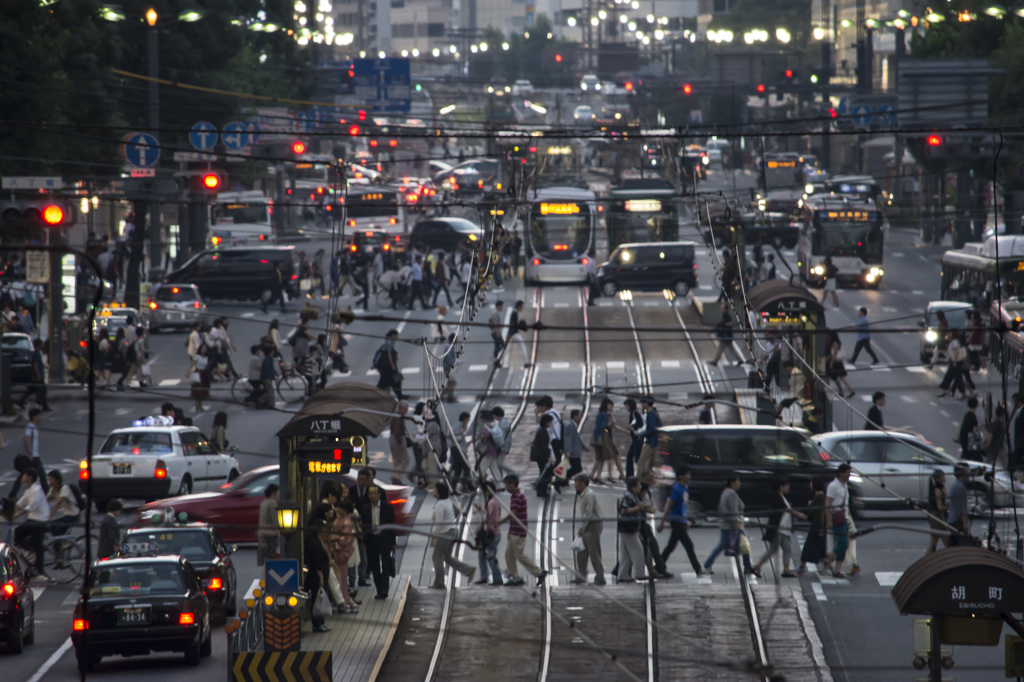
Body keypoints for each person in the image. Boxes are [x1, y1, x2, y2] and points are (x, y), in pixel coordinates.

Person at [751, 478, 806, 578]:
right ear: (781, 487)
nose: (788, 487)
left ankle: (786, 570)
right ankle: (757, 566)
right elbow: (785, 509)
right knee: (773, 549)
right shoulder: (776, 496)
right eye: (787, 485)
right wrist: (798, 513)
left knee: (787, 548)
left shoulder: (780, 496)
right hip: (778, 528)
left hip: (783, 528)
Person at [501, 474, 548, 586]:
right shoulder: (515, 495)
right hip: (514, 530)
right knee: (509, 555)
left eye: (507, 485)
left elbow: (513, 513)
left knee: (519, 554)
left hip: (518, 531)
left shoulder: (518, 496)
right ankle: (514, 577)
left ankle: (539, 572)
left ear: (513, 484)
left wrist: (500, 522)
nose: (506, 487)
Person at [702, 477, 755, 575]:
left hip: (725, 524)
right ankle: (747, 566)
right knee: (744, 544)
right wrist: (736, 523)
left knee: (722, 545)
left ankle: (707, 565)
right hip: (732, 524)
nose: (739, 483)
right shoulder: (732, 494)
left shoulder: (725, 492)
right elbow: (733, 510)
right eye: (738, 481)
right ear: (732, 483)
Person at [658, 466, 704, 576]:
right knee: (688, 545)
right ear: (680, 476)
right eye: (687, 474)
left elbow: (683, 506)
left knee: (671, 546)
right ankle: (697, 569)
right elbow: (670, 505)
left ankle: (659, 566)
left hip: (681, 521)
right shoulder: (677, 489)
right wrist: (662, 522)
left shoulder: (685, 487)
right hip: (676, 520)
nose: (689, 476)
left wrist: (686, 520)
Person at [429, 482, 476, 587]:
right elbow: (457, 511)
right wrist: (450, 520)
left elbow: (439, 523)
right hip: (453, 531)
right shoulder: (447, 501)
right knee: (447, 557)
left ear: (438, 492)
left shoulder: (440, 505)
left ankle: (439, 582)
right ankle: (468, 570)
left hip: (445, 533)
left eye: (434, 489)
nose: (433, 491)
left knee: (437, 557)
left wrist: (434, 538)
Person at [361, 484, 397, 599]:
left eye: (375, 493)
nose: (373, 495)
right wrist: (365, 538)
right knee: (374, 566)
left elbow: (391, 525)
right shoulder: (365, 509)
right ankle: (379, 590)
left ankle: (385, 590)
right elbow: (364, 526)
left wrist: (393, 542)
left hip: (384, 540)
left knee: (385, 566)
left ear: (379, 494)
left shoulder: (387, 507)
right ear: (368, 495)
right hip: (372, 541)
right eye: (370, 493)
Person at [12, 466, 48, 577]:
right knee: (18, 533)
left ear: (30, 477)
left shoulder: (36, 490)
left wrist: (16, 515)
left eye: (24, 475)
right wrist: (9, 512)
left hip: (39, 519)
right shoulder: (28, 490)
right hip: (33, 519)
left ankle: (40, 569)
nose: (22, 477)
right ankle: (31, 548)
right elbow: (20, 503)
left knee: (37, 546)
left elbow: (30, 507)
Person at [572, 473, 605, 585]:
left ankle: (600, 577)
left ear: (582, 483)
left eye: (576, 483)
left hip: (593, 525)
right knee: (581, 552)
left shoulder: (589, 494)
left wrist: (582, 528)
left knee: (594, 552)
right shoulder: (583, 494)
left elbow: (588, 513)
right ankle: (581, 576)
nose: (575, 485)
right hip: (587, 525)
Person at [616, 477, 647, 583]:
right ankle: (640, 574)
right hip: (628, 528)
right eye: (639, 484)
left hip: (629, 528)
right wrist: (638, 508)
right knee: (638, 550)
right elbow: (623, 511)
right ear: (634, 487)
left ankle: (623, 575)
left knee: (625, 553)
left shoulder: (632, 496)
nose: (641, 487)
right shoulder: (628, 496)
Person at [331, 499, 360, 613]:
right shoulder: (340, 519)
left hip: (340, 551)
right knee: (340, 577)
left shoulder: (346, 522)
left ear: (344, 510)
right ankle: (342, 599)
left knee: (342, 577)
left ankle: (343, 599)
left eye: (339, 508)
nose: (337, 509)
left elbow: (346, 539)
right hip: (337, 551)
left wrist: (334, 539)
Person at [304, 518, 333, 633]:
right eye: (325, 530)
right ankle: (317, 624)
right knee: (317, 601)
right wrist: (321, 577)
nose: (327, 532)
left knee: (319, 600)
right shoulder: (315, 543)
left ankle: (319, 623)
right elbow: (317, 562)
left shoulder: (320, 541)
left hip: (321, 575)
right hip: (316, 576)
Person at [474, 481, 504, 585]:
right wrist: (482, 509)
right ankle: (484, 576)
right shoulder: (495, 500)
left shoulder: (491, 502)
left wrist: (476, 529)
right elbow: (490, 515)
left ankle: (497, 579)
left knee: (490, 557)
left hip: (491, 534)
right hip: (495, 533)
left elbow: (487, 519)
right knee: (482, 555)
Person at [797, 478, 829, 575]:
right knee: (821, 547)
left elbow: (820, 513)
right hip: (820, 525)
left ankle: (802, 566)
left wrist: (820, 528)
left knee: (809, 546)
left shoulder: (819, 496)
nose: (810, 484)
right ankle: (826, 566)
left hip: (818, 525)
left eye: (811, 483)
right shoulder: (820, 495)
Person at [825, 464, 852, 578]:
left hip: (844, 516)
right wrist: (829, 519)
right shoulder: (833, 486)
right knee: (843, 542)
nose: (849, 475)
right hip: (837, 517)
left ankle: (837, 570)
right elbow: (827, 504)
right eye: (847, 473)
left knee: (844, 544)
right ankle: (829, 558)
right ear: (841, 473)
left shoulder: (844, 485)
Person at [590, 397, 622, 483]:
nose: (612, 407)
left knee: (601, 458)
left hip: (601, 437)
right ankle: (608, 476)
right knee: (610, 456)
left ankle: (597, 476)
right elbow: (606, 426)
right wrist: (610, 422)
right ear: (607, 405)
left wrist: (611, 416)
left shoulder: (602, 414)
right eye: (611, 406)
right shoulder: (603, 415)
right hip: (603, 438)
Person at [46, 469, 80, 540]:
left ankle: (66, 542)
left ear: (57, 480)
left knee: (52, 525)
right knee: (56, 531)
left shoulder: (65, 488)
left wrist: (50, 518)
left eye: (51, 479)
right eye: (48, 479)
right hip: (67, 515)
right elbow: (45, 500)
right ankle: (60, 548)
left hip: (73, 515)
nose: (49, 482)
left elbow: (58, 503)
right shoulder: (53, 490)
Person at [18, 338, 50, 409]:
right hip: (37, 377)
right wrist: (39, 376)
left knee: (32, 390)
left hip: (36, 376)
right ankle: (44, 406)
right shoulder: (36, 353)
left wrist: (50, 369)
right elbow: (36, 365)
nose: (42, 346)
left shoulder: (37, 353)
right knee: (43, 390)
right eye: (41, 344)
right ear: (38, 345)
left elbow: (40, 364)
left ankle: (20, 401)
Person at [374, 329, 405, 400]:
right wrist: (393, 366)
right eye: (396, 335)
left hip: (386, 367)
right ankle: (399, 396)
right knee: (393, 380)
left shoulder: (388, 342)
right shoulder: (389, 343)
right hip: (388, 367)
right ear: (393, 335)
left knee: (393, 381)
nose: (397, 337)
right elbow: (389, 354)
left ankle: (400, 395)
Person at [946, 462, 971, 546]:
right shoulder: (960, 487)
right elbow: (961, 507)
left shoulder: (957, 484)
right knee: (959, 544)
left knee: (953, 543)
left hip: (952, 518)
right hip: (957, 521)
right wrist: (965, 523)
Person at [635, 397, 661, 476]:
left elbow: (653, 429)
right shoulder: (653, 413)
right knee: (655, 462)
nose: (641, 405)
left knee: (641, 462)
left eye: (642, 403)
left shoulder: (650, 414)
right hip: (655, 441)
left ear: (646, 403)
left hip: (651, 442)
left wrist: (642, 435)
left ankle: (638, 480)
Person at [257, 483, 280, 566]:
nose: (279, 494)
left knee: (264, 561)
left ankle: (265, 578)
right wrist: (279, 533)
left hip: (262, 534)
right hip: (270, 535)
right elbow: (275, 520)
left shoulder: (263, 502)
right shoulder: (272, 503)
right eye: (278, 492)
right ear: (273, 493)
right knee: (270, 559)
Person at [926, 470, 948, 554]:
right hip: (938, 517)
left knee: (933, 542)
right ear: (937, 478)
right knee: (947, 542)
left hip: (935, 517)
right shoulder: (937, 490)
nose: (944, 478)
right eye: (942, 476)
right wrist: (947, 507)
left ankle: (926, 560)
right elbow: (939, 507)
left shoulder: (940, 488)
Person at [389, 400, 411, 485]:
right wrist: (400, 442)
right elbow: (397, 431)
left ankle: (396, 478)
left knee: (397, 460)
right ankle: (396, 477)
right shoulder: (399, 417)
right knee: (405, 459)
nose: (407, 410)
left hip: (392, 438)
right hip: (397, 439)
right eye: (406, 408)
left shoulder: (396, 415)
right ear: (402, 408)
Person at [562, 409, 588, 480]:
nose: (580, 417)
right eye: (579, 415)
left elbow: (577, 438)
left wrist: (584, 446)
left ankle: (563, 480)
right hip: (573, 452)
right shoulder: (570, 425)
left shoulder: (573, 425)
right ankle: (561, 480)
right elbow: (568, 439)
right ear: (575, 416)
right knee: (577, 470)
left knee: (576, 469)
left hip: (574, 452)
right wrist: (568, 451)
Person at [504, 300, 531, 368]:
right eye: (522, 307)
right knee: (523, 347)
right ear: (519, 307)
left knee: (509, 349)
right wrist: (520, 326)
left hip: (511, 334)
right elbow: (514, 325)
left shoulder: (514, 313)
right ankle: (526, 363)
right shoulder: (514, 314)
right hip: (514, 334)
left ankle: (498, 360)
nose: (522, 308)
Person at [621, 398, 644, 478]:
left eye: (626, 406)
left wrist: (632, 426)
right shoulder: (633, 413)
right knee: (630, 457)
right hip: (635, 439)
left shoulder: (635, 413)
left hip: (637, 439)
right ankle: (630, 476)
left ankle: (640, 475)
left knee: (636, 458)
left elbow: (640, 423)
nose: (626, 408)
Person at [827, 331, 854, 398]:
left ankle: (841, 391)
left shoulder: (834, 343)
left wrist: (831, 363)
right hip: (839, 362)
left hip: (835, 363)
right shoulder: (838, 342)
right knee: (842, 377)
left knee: (835, 377)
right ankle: (849, 390)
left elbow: (834, 354)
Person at [190, 344, 211, 412]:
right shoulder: (197, 357)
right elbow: (193, 364)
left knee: (204, 391)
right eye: (203, 348)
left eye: (205, 348)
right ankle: (197, 404)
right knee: (198, 391)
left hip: (204, 375)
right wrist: (189, 372)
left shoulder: (207, 357)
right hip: (198, 374)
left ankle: (200, 404)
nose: (204, 350)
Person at [489, 301, 505, 365]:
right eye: (502, 306)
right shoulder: (495, 313)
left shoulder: (494, 312)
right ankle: (494, 356)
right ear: (499, 306)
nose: (502, 308)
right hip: (495, 332)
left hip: (494, 332)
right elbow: (496, 323)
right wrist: (498, 332)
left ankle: (495, 359)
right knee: (503, 344)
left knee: (497, 345)